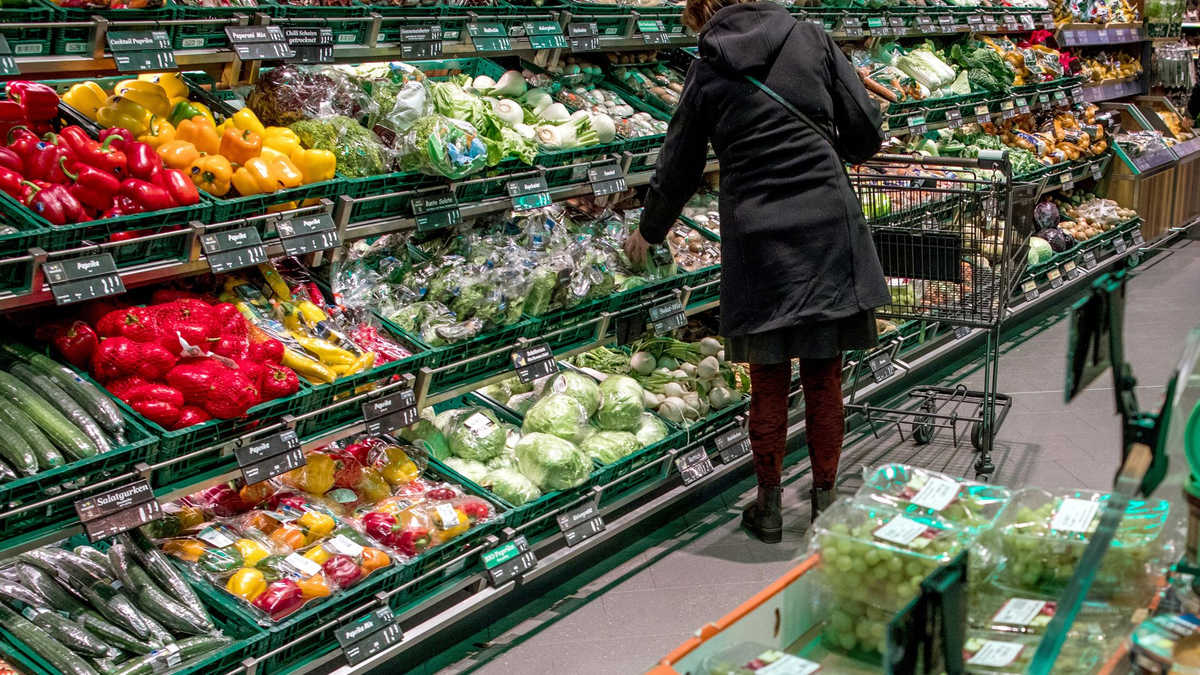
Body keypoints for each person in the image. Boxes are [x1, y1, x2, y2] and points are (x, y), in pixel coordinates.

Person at [623, 0, 891, 543]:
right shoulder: (811, 38)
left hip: (755, 232)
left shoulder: (706, 65)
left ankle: (768, 507)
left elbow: (679, 162)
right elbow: (864, 133)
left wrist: (649, 230)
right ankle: (825, 506)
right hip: (824, 221)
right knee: (824, 373)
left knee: (767, 376)